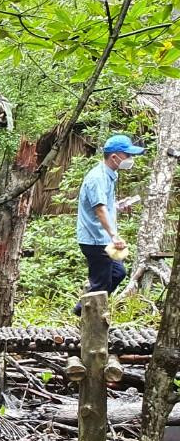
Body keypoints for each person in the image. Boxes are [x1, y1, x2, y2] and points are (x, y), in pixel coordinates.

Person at [73, 134, 143, 315]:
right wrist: (114, 236)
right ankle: (89, 322)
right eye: (127, 155)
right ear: (114, 157)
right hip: (95, 240)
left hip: (102, 239)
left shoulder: (109, 175)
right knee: (100, 285)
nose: (130, 159)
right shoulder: (97, 177)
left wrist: (118, 206)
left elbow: (103, 205)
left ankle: (83, 310)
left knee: (118, 273)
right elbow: (99, 210)